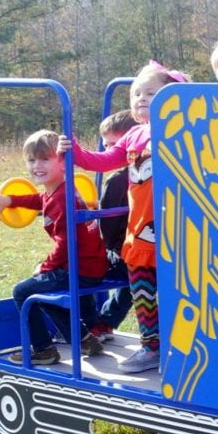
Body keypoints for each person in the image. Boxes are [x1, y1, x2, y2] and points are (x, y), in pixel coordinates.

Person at [59, 61, 190, 373]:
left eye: (150, 92)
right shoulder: (132, 136)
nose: (141, 98)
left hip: (179, 230)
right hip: (141, 231)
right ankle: (151, 347)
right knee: (143, 293)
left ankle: (184, 347)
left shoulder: (181, 130)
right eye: (135, 94)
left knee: (179, 293)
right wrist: (73, 150)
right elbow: (101, 161)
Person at [0, 130, 108, 365]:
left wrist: (44, 268)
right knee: (44, 293)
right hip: (88, 265)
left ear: (64, 162)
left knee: (22, 291)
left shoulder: (62, 198)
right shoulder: (60, 190)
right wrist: (10, 200)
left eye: (45, 159)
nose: (37, 165)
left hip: (79, 269)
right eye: (31, 160)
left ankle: (43, 350)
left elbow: (66, 243)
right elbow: (39, 200)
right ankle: (84, 339)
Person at [88, 109, 138, 342]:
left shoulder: (118, 179)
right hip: (139, 249)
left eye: (112, 146)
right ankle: (106, 321)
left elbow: (107, 227)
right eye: (106, 146)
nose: (108, 152)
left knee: (77, 266)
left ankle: (96, 323)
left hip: (122, 251)